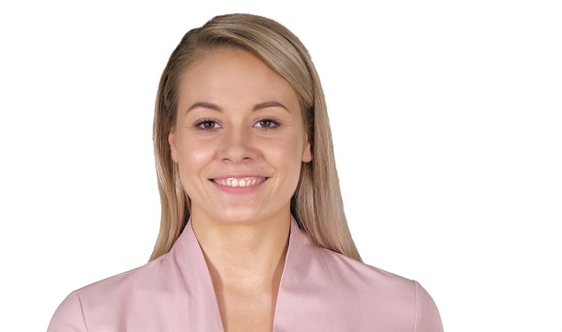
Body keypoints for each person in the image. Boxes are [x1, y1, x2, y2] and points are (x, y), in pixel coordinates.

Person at [48, 13, 443, 331]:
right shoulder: (90, 321)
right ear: (173, 144)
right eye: (207, 124)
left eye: (266, 122)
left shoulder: (401, 315)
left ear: (309, 140)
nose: (236, 150)